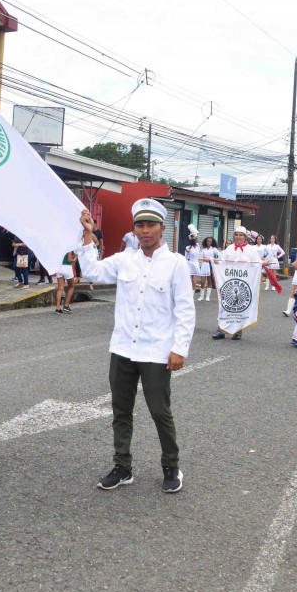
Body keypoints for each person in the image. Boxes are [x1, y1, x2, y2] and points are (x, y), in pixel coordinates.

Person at [76, 200, 194, 494]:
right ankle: (122, 466)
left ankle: (171, 466)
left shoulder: (177, 263)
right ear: (135, 230)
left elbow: (185, 310)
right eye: (140, 225)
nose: (145, 231)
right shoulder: (124, 260)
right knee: (121, 411)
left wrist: (179, 348)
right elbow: (91, 272)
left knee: (159, 411)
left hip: (156, 352)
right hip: (123, 349)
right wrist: (89, 235)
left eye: (150, 225)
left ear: (162, 228)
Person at [213, 225, 262, 340]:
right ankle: (221, 330)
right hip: (229, 282)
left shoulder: (251, 250)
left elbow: (256, 265)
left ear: (245, 237)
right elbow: (221, 263)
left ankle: (238, 331)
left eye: (241, 235)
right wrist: (214, 261)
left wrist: (262, 263)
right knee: (225, 305)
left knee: (240, 307)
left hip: (244, 283)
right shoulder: (229, 249)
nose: (238, 237)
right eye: (236, 235)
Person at [183, 226, 203, 300]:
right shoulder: (191, 247)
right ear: (193, 240)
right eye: (196, 239)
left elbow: (186, 257)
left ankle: (191, 294)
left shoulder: (193, 247)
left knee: (192, 280)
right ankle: (190, 294)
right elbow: (186, 257)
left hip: (192, 262)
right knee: (190, 279)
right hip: (192, 263)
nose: (198, 239)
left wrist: (194, 231)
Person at [199, 236, 220, 301]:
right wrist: (204, 259)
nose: (209, 242)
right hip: (204, 265)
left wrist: (212, 259)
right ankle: (201, 296)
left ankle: (207, 296)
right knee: (202, 281)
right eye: (208, 241)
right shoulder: (203, 249)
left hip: (211, 265)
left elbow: (220, 255)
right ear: (206, 241)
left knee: (209, 280)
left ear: (212, 242)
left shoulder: (214, 249)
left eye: (210, 241)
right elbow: (200, 257)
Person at [55, 249, 77, 313]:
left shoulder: (59, 248)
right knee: (71, 286)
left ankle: (57, 308)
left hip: (59, 268)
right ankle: (66, 306)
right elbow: (69, 259)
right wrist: (74, 258)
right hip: (67, 268)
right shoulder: (69, 248)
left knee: (60, 288)